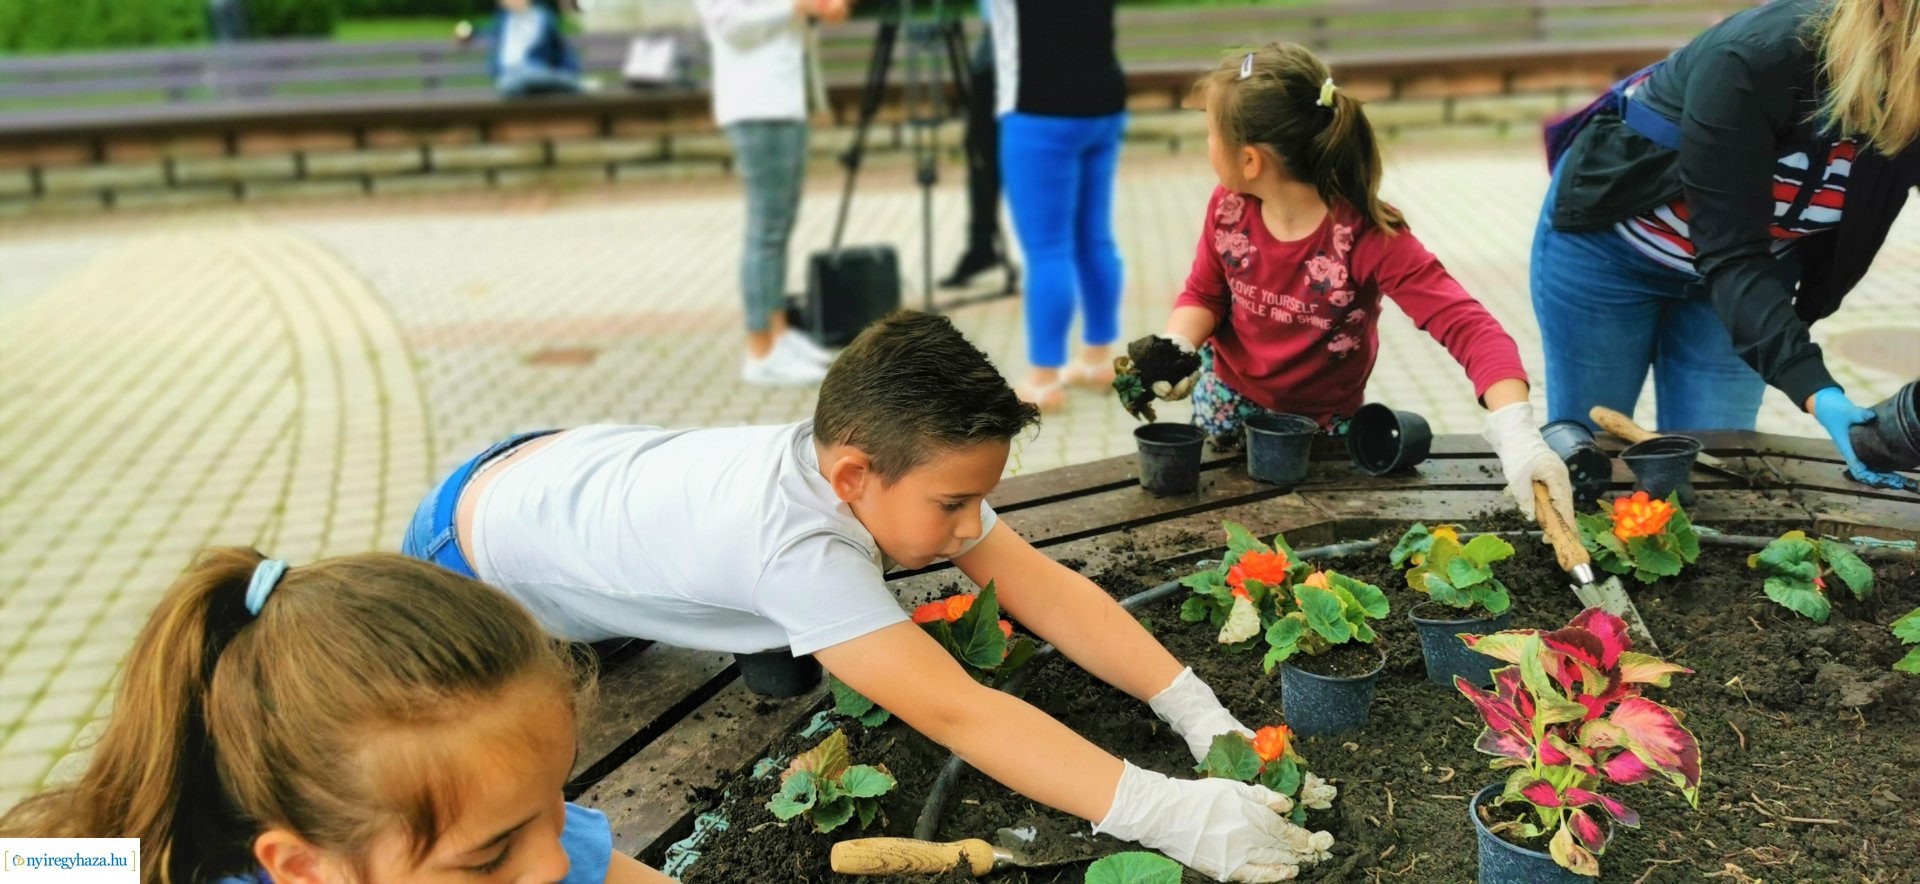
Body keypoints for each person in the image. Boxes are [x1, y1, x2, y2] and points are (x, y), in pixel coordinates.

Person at [401, 311, 1336, 882]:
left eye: (983, 497)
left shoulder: (858, 459)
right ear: (853, 473)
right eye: (953, 504)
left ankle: (744, 632)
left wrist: (1194, 708)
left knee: (790, 623)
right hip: (470, 560)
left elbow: (1042, 590)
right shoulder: (797, 551)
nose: (975, 526)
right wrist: (1164, 811)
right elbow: (964, 715)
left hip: (560, 469)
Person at [0, 550, 668, 884]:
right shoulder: (125, 860)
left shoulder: (505, 829)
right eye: (489, 859)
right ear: (307, 869)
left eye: (555, 797)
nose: (553, 863)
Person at [1120, 44, 1577, 524]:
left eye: (1209, 132)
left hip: (1319, 431)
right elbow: (1205, 293)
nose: (1206, 144)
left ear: (1250, 160)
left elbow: (1471, 328)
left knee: (1303, 535)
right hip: (1224, 406)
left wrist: (1516, 430)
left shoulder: (1367, 236)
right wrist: (1178, 343)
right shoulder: (1228, 208)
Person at [1532, 0, 1919, 490]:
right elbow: (1732, 250)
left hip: (1751, 279)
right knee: (1586, 458)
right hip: (1613, 255)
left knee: (1714, 465)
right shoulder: (1757, 57)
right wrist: (1817, 390)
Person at [695, 0, 847, 386]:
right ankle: (760, 350)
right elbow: (729, 24)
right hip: (755, 105)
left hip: (784, 103)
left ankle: (778, 335)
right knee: (766, 231)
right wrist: (796, 6)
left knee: (778, 228)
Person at [989, 0, 1129, 411]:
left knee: (1049, 249)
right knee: (1095, 238)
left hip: (1039, 108)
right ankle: (1098, 360)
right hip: (1102, 101)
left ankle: (1044, 381)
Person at [938, 2, 1015, 290]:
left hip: (1007, 51)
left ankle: (982, 245)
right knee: (981, 151)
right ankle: (981, 244)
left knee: (984, 151)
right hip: (999, 47)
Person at [459, 0, 588, 98]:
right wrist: (467, 31)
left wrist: (573, 68)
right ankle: (570, 84)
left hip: (536, 68)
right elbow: (484, 30)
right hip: (509, 74)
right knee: (512, 84)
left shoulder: (543, 17)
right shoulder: (504, 19)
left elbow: (559, 48)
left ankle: (553, 83)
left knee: (528, 77)